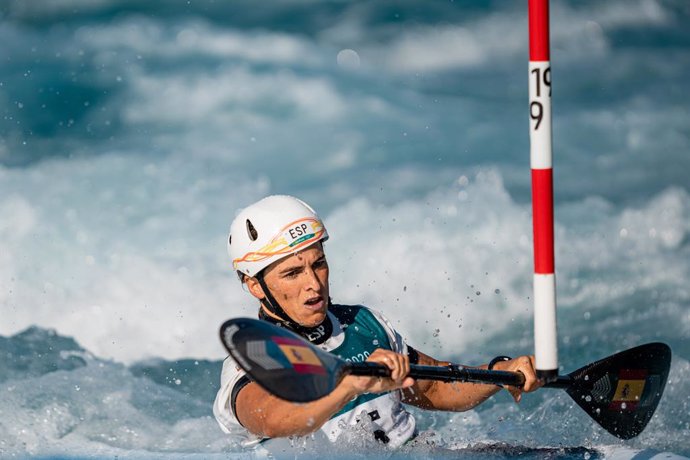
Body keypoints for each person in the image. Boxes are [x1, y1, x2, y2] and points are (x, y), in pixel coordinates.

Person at [213, 195, 542, 449]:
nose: (313, 284)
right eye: (293, 273)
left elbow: (434, 387)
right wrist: (350, 384)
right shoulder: (251, 355)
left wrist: (500, 372)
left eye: (319, 264)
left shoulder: (362, 323)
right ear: (255, 285)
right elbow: (272, 419)